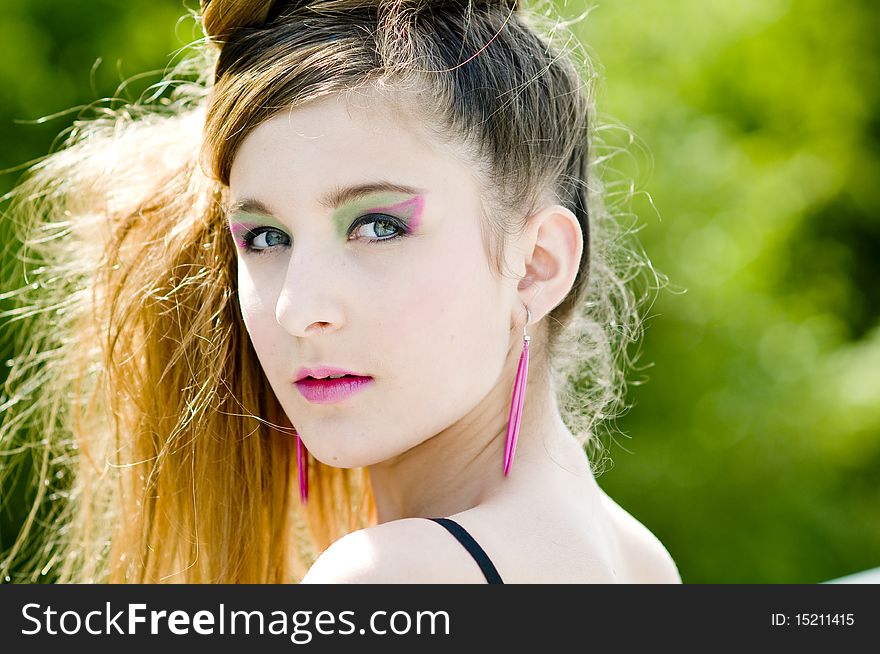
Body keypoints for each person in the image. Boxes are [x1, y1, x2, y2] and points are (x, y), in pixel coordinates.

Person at [0, 0, 680, 584]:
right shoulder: (640, 561)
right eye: (265, 238)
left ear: (535, 264)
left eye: (377, 226)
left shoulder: (389, 577)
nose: (300, 309)